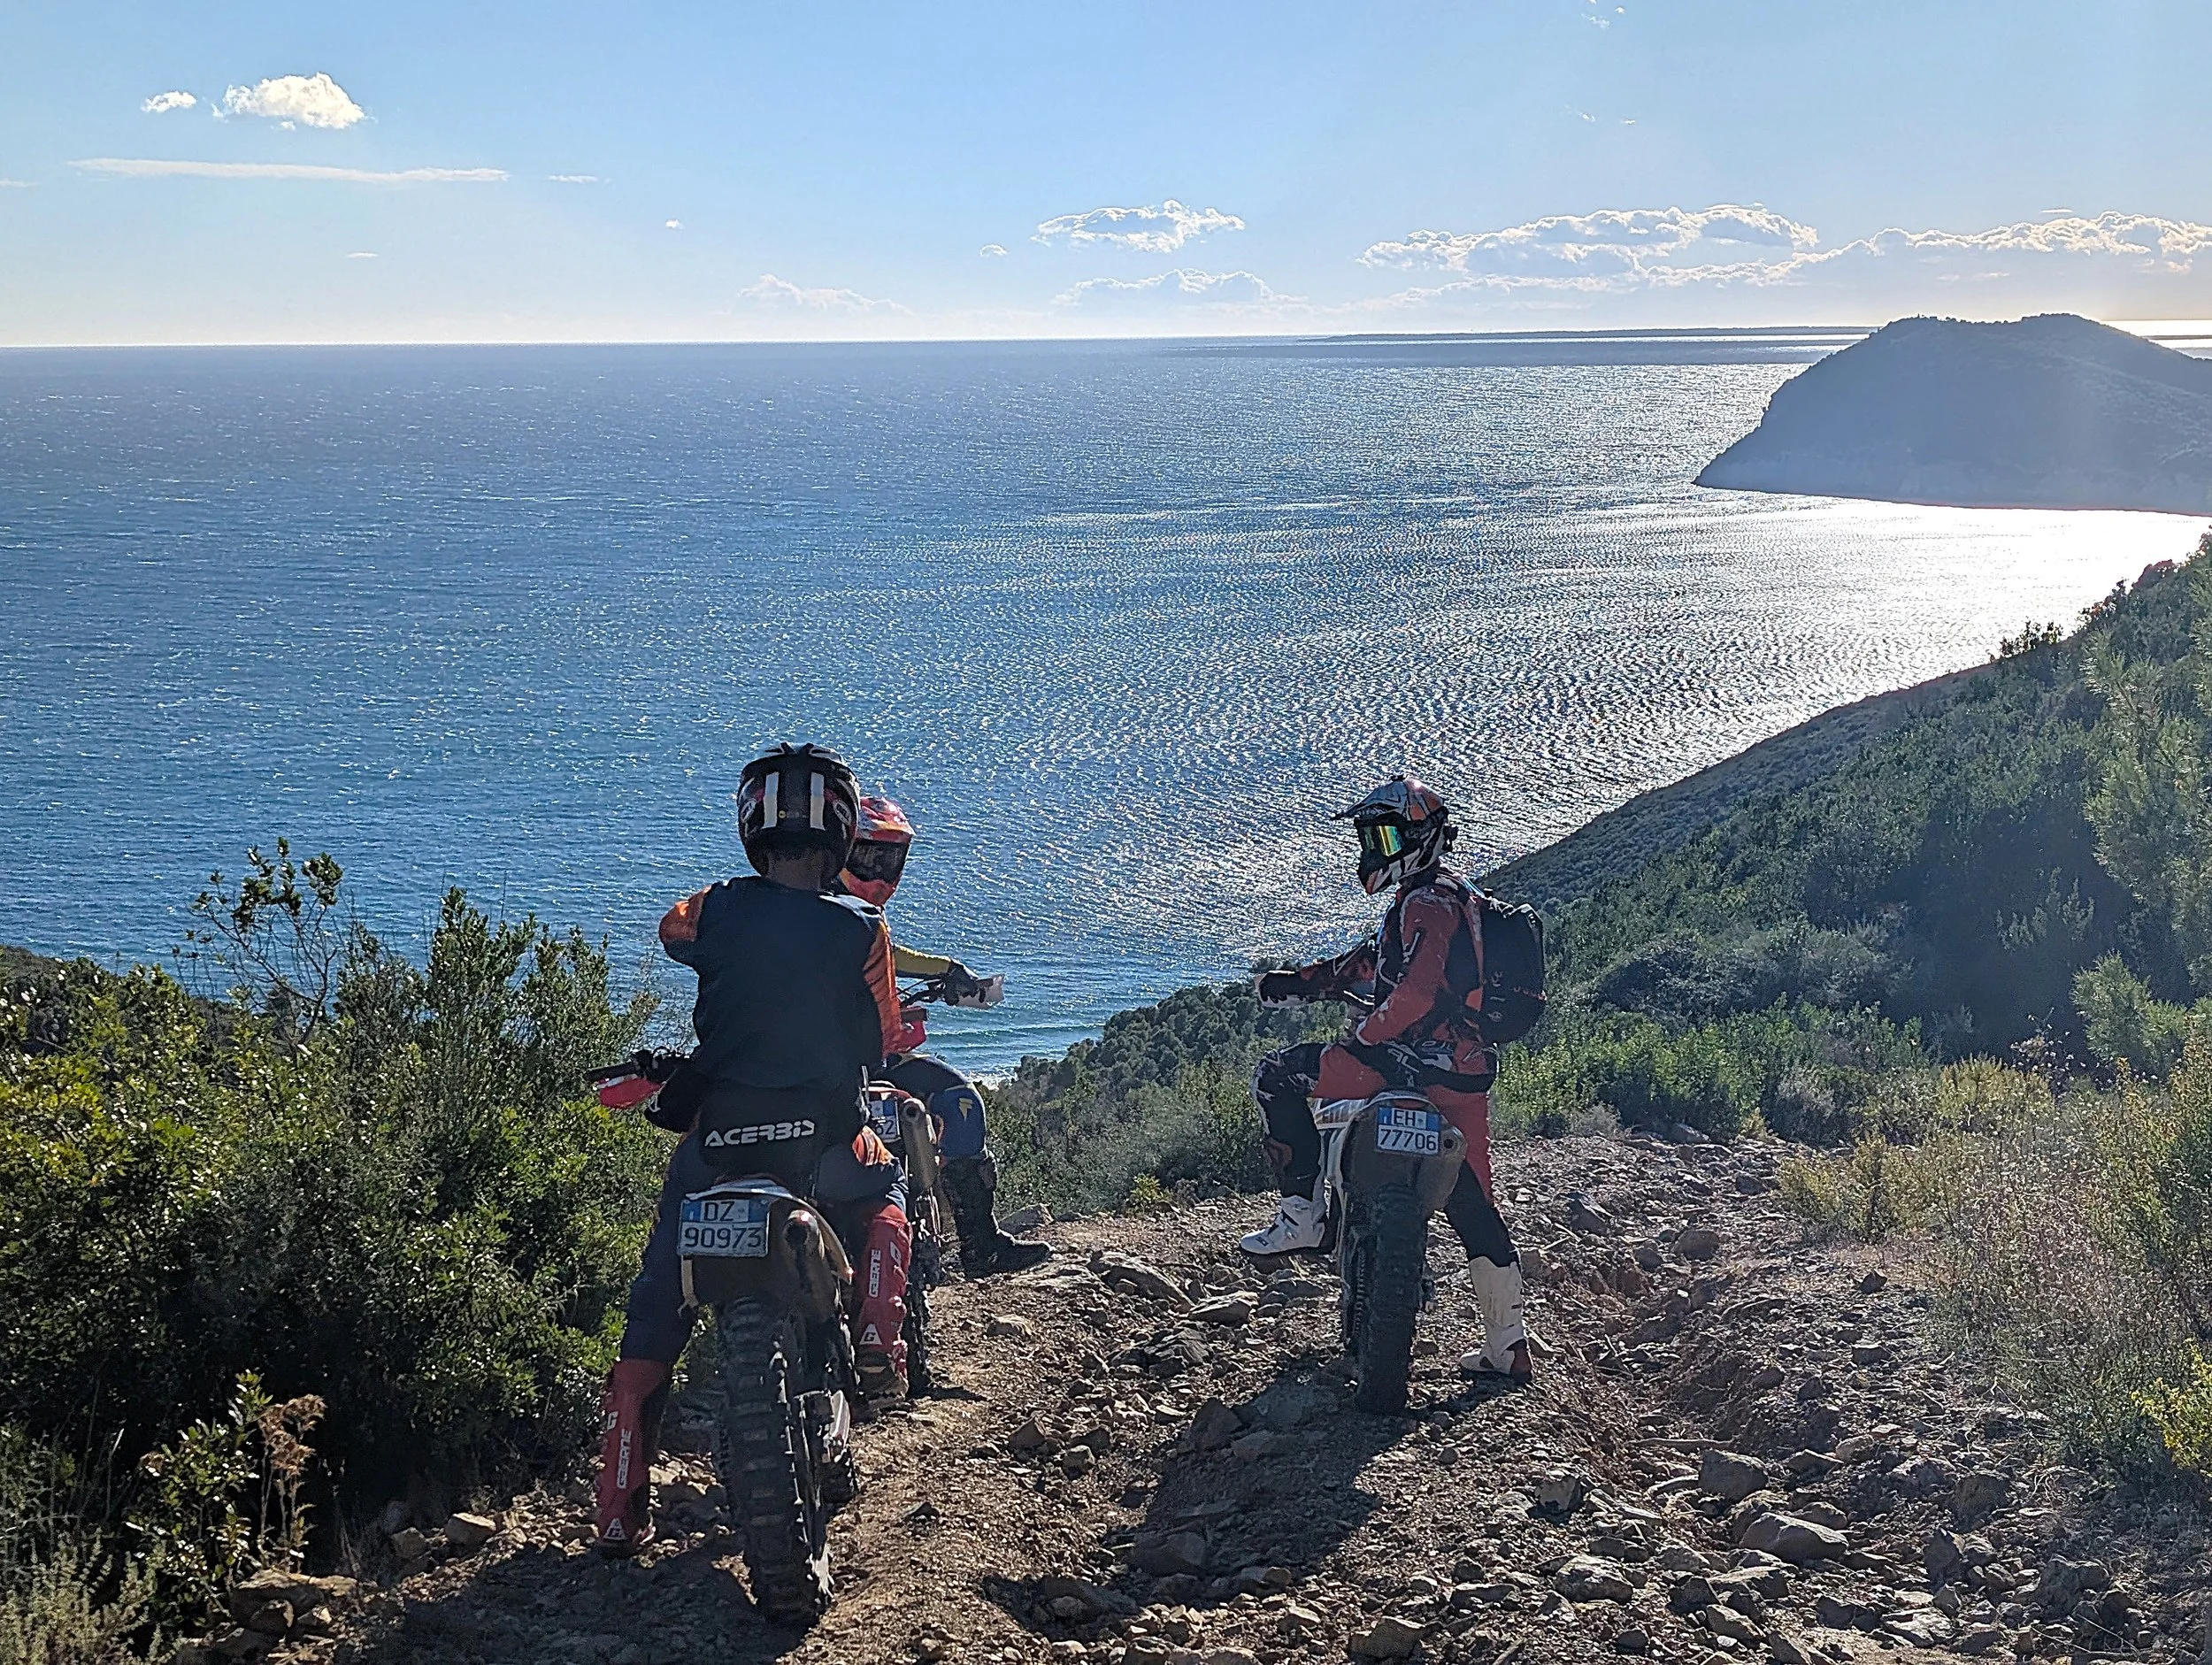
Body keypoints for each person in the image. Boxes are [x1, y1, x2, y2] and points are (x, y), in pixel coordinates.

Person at [594, 743, 913, 1555]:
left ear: (750, 827)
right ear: (842, 833)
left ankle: (617, 1504)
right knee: (887, 1196)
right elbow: (878, 1038)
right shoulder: (863, 928)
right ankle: (879, 1329)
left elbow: (673, 931)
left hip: (721, 1144)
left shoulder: (712, 908)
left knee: (656, 1301)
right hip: (823, 1138)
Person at [1240, 774, 1532, 1384]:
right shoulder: (1461, 899)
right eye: (1372, 835)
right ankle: (1509, 1344)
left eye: (1386, 834)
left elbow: (1415, 991)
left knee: (1276, 1076)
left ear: (1420, 837)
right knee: (1475, 1206)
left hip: (1400, 1066)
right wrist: (1296, 981)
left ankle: (1303, 1216)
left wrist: (1365, 1036)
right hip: (1464, 1077)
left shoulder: (1423, 904)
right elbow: (1368, 963)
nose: (1375, 846)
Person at [839, 794, 1051, 1278]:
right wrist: (947, 969)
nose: (879, 868)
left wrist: (944, 973)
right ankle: (980, 1244)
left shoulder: (830, 906)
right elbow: (883, 957)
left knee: (960, 1101)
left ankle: (976, 1242)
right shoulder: (835, 911)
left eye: (890, 857)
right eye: (869, 854)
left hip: (861, 1058)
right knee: (960, 1102)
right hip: (859, 1062)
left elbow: (885, 954)